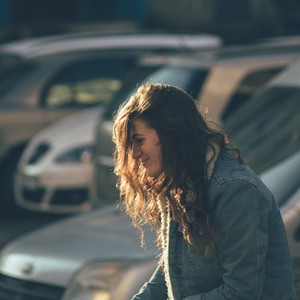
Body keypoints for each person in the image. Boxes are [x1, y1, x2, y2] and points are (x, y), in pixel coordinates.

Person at [112, 83, 296, 299]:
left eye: (139, 141)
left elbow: (241, 293)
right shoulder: (181, 186)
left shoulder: (235, 189)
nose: (133, 154)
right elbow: (172, 273)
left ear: (171, 133)